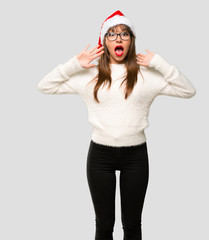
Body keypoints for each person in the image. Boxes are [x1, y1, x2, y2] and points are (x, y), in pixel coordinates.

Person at [37, 10, 196, 240]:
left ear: (131, 41)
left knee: (132, 226)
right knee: (104, 226)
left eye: (124, 34)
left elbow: (188, 90)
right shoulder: (90, 76)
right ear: (104, 42)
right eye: (112, 34)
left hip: (136, 157)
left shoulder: (146, 75)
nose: (118, 39)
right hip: (100, 156)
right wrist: (73, 64)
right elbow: (45, 85)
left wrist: (159, 63)